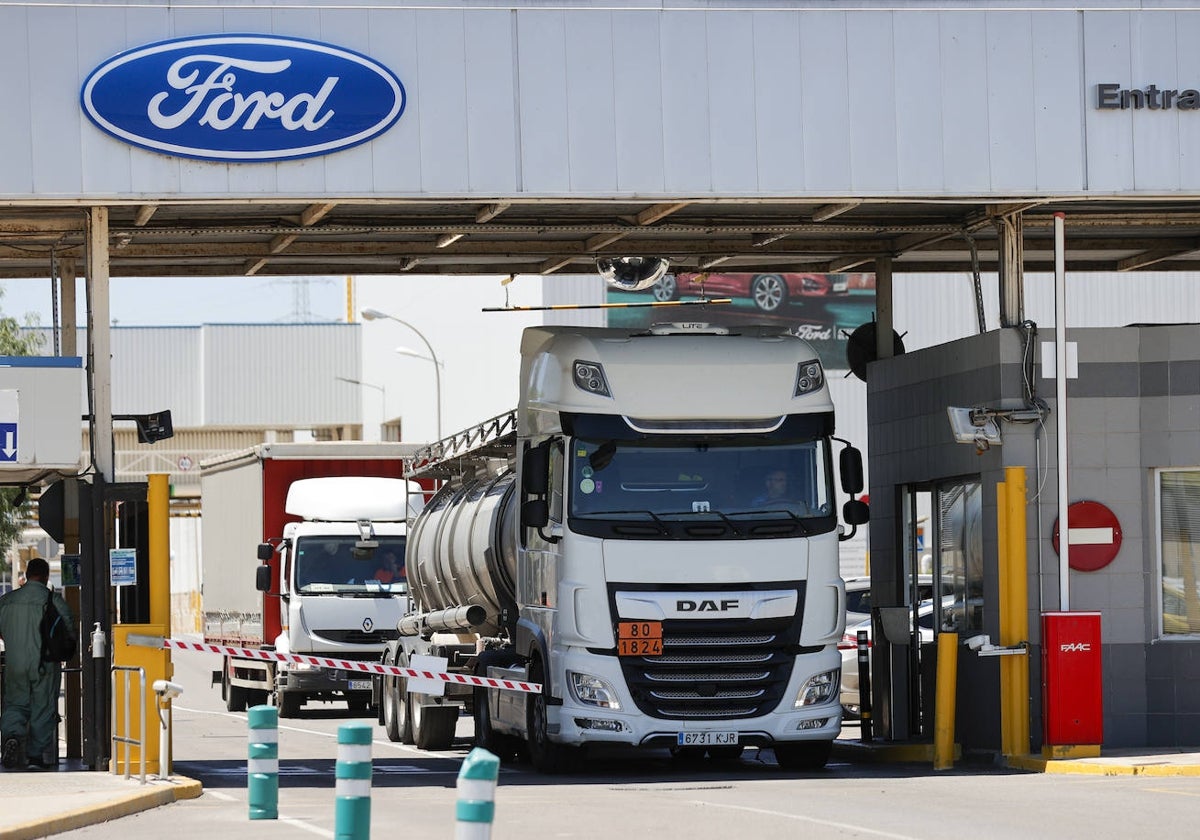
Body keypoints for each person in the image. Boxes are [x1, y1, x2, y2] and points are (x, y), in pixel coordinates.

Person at [0, 557, 75, 770]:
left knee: (15, 703)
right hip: (45, 664)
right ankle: (34, 757)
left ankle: (12, 737)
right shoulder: (54, 601)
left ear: (26, 574)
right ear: (46, 576)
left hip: (15, 663)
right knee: (43, 708)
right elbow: (69, 632)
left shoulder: (7, 601)